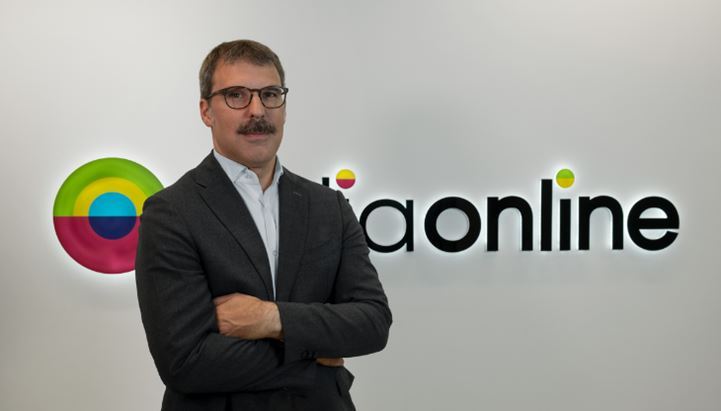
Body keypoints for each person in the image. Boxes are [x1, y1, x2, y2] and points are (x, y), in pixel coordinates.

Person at [135, 39, 392, 411]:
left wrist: (271, 319)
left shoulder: (328, 206)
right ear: (206, 111)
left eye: (270, 94)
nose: (257, 110)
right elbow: (185, 362)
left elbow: (373, 322)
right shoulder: (171, 212)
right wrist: (314, 357)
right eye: (236, 95)